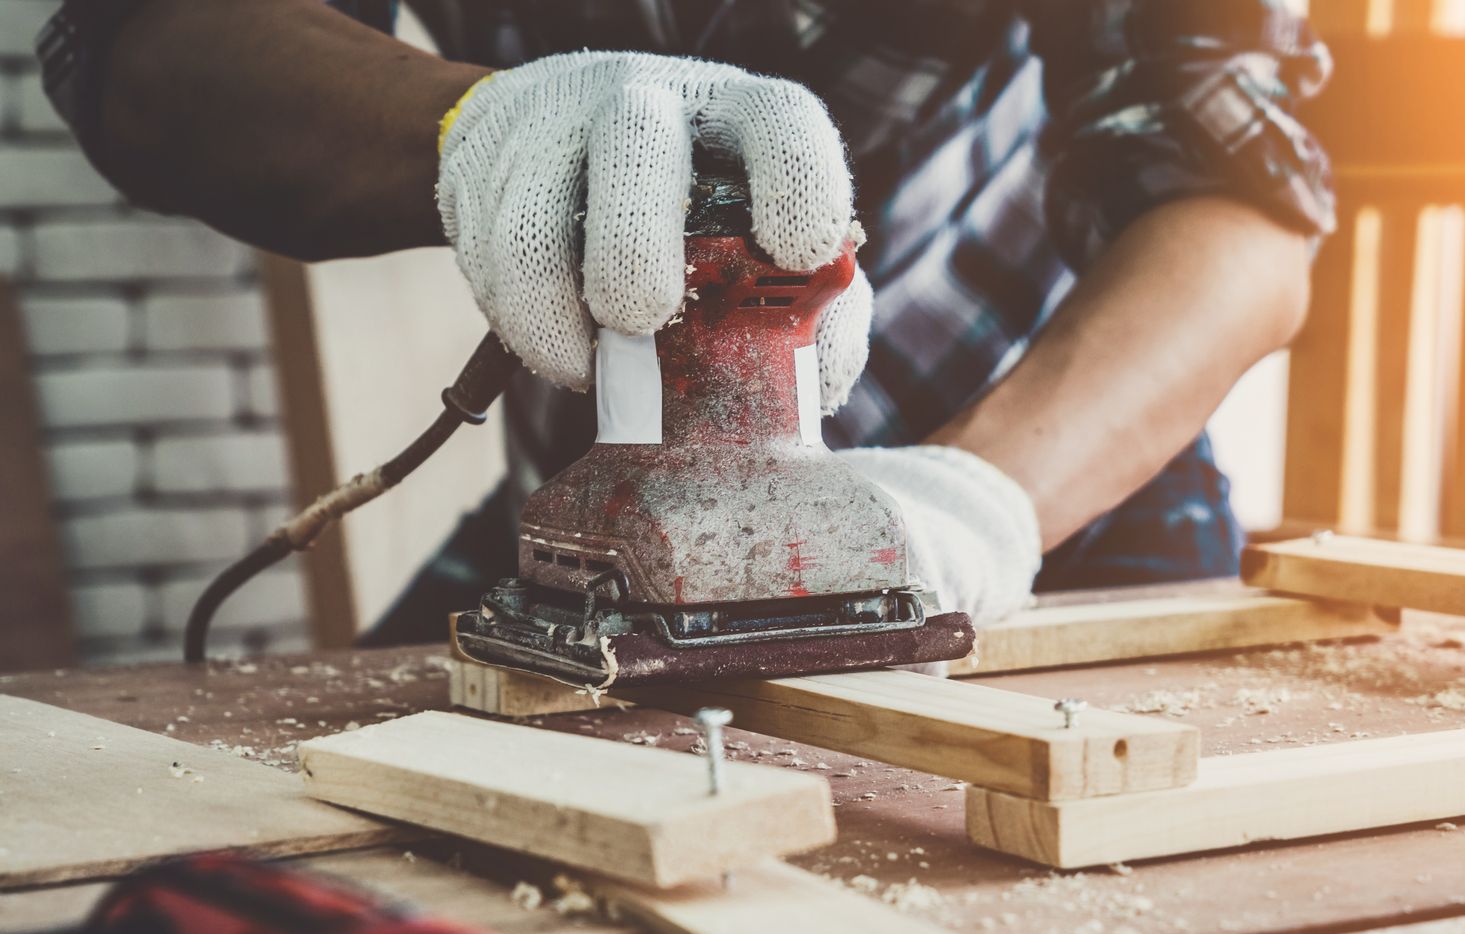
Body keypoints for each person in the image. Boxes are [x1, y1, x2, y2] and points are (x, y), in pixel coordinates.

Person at [39, 0, 1335, 638]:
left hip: (1058, 486)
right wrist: (478, 133)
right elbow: (137, 50)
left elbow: (1242, 206)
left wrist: (971, 506)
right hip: (618, 520)